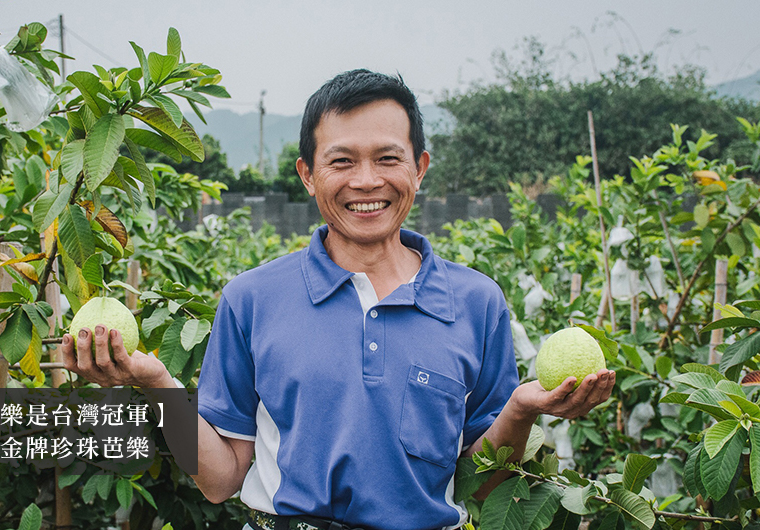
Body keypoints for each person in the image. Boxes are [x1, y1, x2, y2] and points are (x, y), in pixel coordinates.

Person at [61, 69, 616, 530]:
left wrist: (519, 411)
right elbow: (219, 479)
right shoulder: (252, 299)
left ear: (419, 169)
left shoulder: (477, 303)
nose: (366, 181)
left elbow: (484, 481)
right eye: (342, 161)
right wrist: (156, 385)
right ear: (308, 174)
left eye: (388, 159)